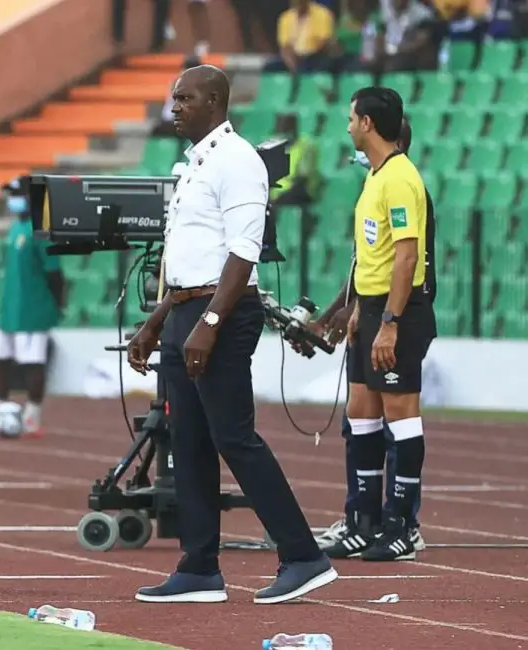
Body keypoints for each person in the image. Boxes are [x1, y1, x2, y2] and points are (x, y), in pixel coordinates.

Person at [127, 64, 338, 604]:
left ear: (215, 101)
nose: (174, 107)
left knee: (234, 438)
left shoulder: (239, 161)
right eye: (174, 98)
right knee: (189, 442)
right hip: (185, 308)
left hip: (220, 312)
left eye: (185, 98)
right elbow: (192, 258)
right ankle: (199, 568)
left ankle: (303, 556)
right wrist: (155, 322)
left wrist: (211, 323)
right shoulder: (197, 162)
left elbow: (244, 252)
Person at [311, 116, 437, 556]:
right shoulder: (374, 179)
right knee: (361, 413)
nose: (347, 128)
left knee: (400, 418)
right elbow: (369, 259)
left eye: (352, 119)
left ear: (372, 126)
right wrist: (354, 309)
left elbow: (407, 260)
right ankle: (363, 521)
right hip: (371, 310)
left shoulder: (402, 182)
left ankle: (402, 526)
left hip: (397, 313)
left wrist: (389, 320)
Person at [0, 176, 64, 439]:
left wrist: (55, 303)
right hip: (10, 308)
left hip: (32, 308)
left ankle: (32, 417)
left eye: (18, 194)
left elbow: (54, 273)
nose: (13, 200)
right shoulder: (16, 228)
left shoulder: (41, 230)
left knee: (33, 362)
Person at [263, 0, 336, 73]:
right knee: (269, 67)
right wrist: (292, 64)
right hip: (293, 57)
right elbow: (284, 47)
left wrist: (304, 55)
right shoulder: (285, 18)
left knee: (320, 63)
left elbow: (324, 43)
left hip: (315, 56)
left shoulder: (322, 14)